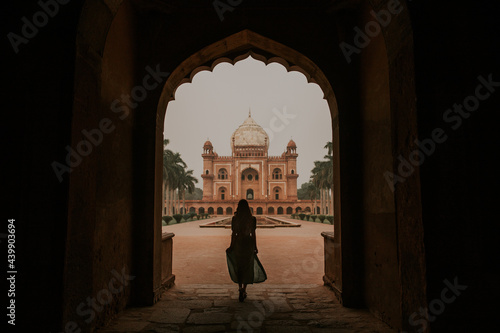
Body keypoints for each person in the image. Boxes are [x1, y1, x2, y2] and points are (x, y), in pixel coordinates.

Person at [226, 199, 266, 302]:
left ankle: (239, 288)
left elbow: (234, 234)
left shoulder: (235, 219)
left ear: (238, 207)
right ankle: (244, 289)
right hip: (248, 243)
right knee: (247, 266)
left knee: (239, 266)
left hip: (239, 243)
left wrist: (231, 246)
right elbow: (253, 234)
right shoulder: (252, 219)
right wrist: (255, 246)